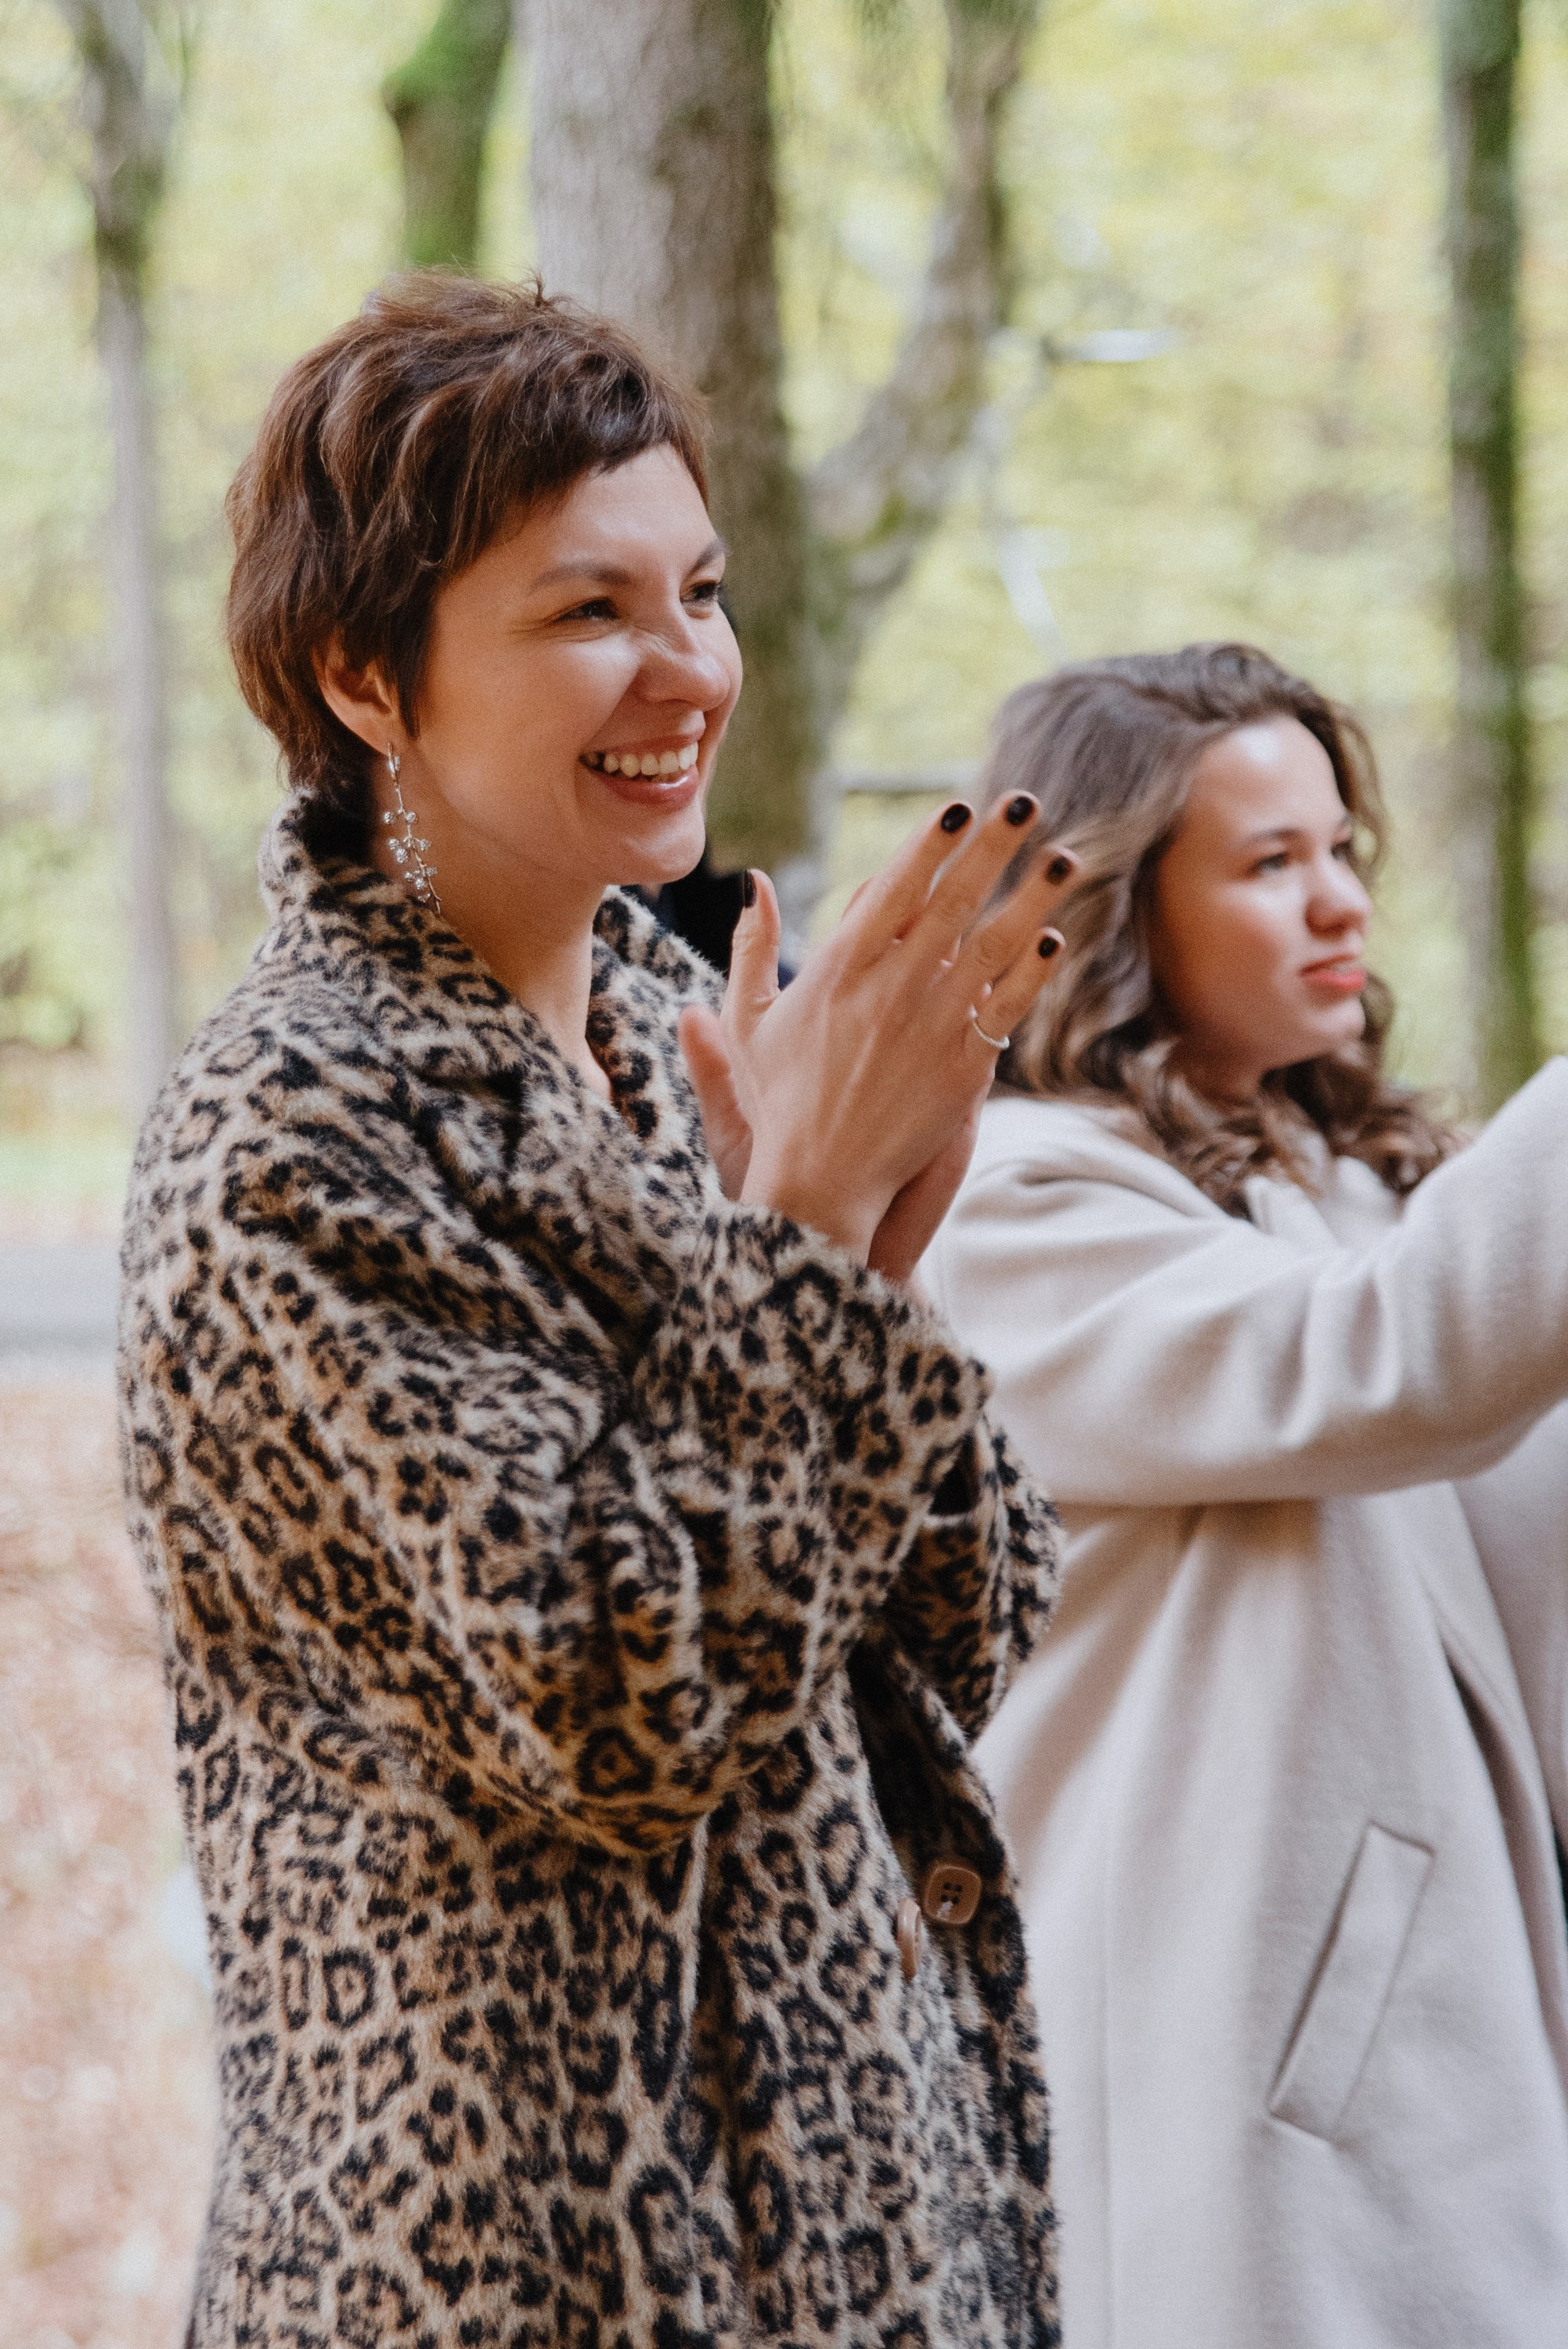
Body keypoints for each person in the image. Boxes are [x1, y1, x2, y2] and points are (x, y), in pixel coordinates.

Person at [116, 274, 1083, 2349]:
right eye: (586, 613)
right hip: (508, 2262)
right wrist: (808, 1242)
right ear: (365, 679)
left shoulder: (673, 1033)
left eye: (703, 592)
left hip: (839, 2229)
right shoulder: (298, 1119)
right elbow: (616, 1706)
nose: (686, 671)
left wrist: (865, 1263)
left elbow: (972, 1629)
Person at [922, 641, 1568, 2349]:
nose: (1337, 900)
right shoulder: (1008, 1209)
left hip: (1431, 2037)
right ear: (1117, 908)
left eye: (1343, 848)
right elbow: (1380, 1368)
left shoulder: (1345, 1193)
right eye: (1271, 863)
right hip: (1217, 2066)